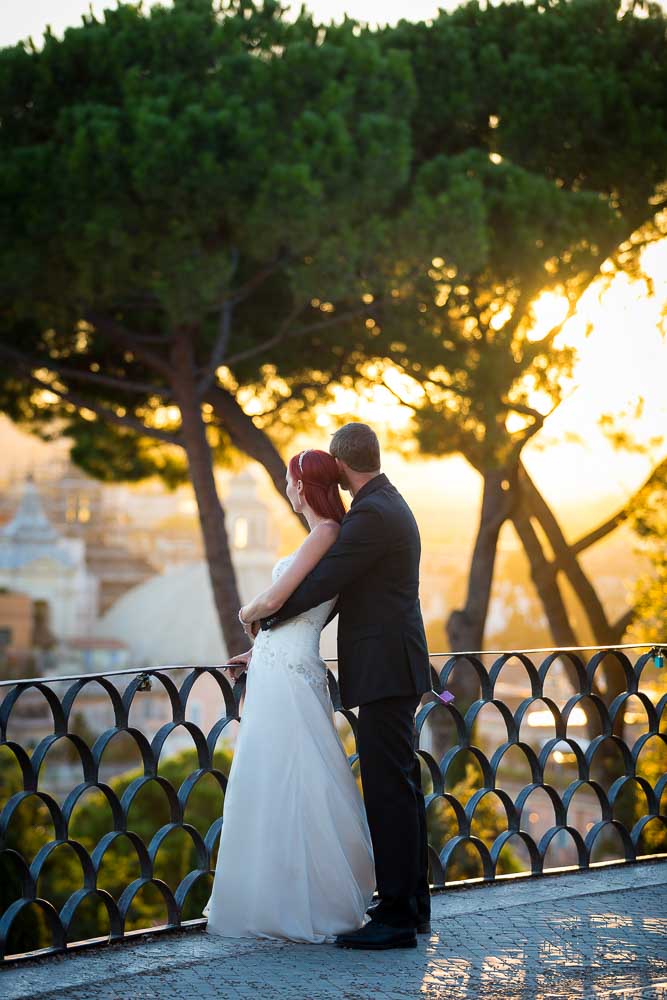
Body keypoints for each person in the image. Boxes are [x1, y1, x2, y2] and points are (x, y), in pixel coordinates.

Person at [246, 423, 433, 951]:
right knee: (401, 785)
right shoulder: (385, 503)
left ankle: (397, 917)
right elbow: (339, 593)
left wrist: (259, 617)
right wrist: (269, 643)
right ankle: (410, 904)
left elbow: (322, 586)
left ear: (341, 466)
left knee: (389, 789)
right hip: (392, 664)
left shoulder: (372, 515)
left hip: (384, 667)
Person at [203, 448, 375, 944]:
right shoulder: (324, 536)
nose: (285, 485)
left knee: (291, 779)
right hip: (278, 664)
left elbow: (278, 601)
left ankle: (300, 903)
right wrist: (257, 653)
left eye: (288, 478)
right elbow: (297, 610)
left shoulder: (325, 533)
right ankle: (278, 896)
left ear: (301, 485)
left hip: (289, 672)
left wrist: (245, 613)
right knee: (275, 778)